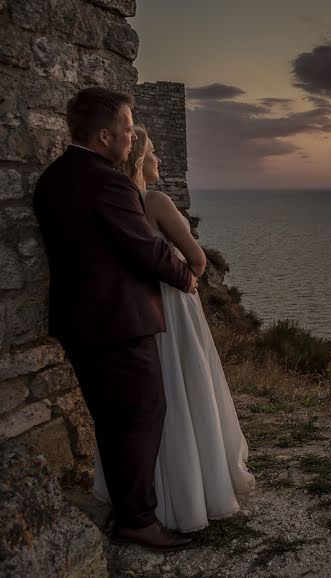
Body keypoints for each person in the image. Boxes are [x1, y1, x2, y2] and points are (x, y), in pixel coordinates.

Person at [32, 87, 197, 551]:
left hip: (77, 320)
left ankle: (126, 508)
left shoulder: (53, 179)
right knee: (143, 414)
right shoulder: (108, 182)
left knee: (110, 418)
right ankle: (138, 521)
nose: (131, 136)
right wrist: (184, 275)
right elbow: (145, 246)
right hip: (118, 322)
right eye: (126, 128)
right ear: (104, 136)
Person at [93, 125, 256, 533]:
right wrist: (190, 274)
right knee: (188, 388)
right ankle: (197, 489)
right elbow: (197, 258)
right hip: (174, 301)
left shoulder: (121, 204)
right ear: (137, 160)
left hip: (139, 307)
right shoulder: (155, 200)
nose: (159, 158)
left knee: (154, 396)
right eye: (152, 151)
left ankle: (152, 493)